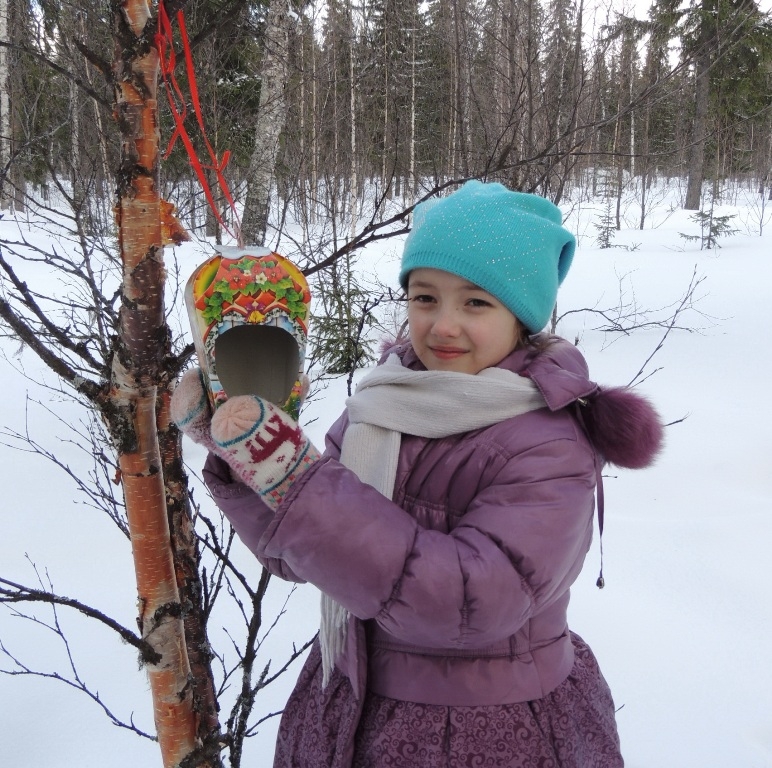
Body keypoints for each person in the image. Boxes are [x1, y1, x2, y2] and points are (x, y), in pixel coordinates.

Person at [172, 180, 663, 767]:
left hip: (487, 733)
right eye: (425, 298)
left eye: (475, 302)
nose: (442, 325)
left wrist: (297, 481)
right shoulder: (384, 403)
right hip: (352, 706)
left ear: (523, 316)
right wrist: (243, 461)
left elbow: (471, 603)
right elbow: (300, 552)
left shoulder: (547, 444)